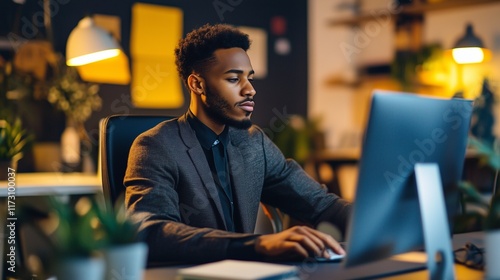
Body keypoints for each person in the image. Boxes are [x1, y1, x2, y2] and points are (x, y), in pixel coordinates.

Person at [124, 23, 352, 264]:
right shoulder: (155, 146)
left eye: (249, 78)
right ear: (197, 84)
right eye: (234, 79)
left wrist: (379, 222)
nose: (250, 90)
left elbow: (320, 204)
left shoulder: (254, 142)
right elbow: (149, 232)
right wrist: (258, 244)